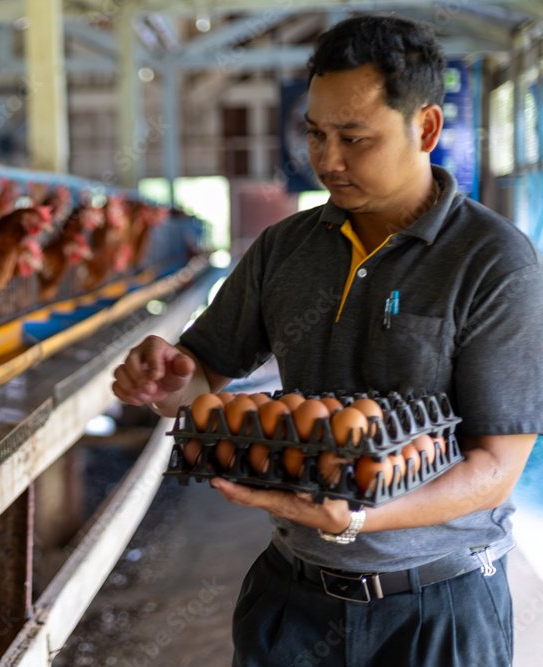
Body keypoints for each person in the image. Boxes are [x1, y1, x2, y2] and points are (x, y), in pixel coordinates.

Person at [112, 15, 543, 667]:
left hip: (435, 610)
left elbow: (495, 468)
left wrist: (361, 517)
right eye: (314, 133)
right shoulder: (286, 247)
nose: (327, 159)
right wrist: (168, 378)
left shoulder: (492, 262)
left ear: (425, 128)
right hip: (292, 599)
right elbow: (201, 378)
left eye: (354, 137)